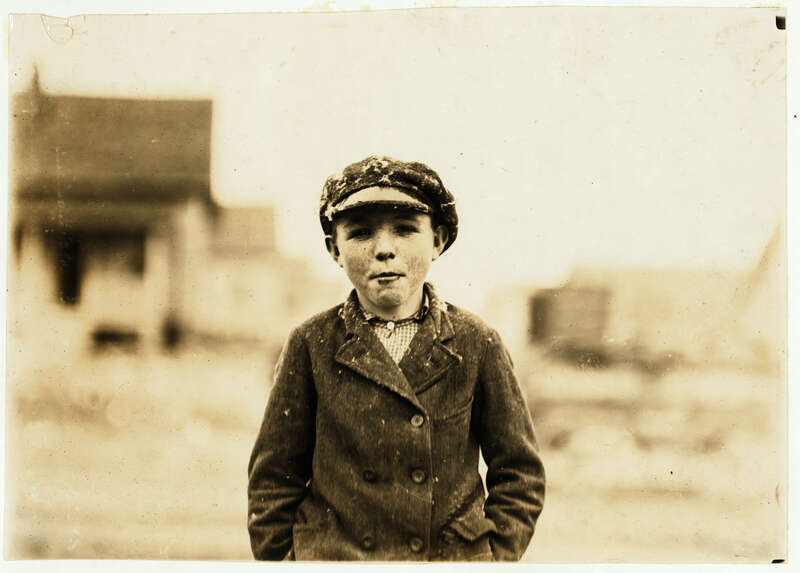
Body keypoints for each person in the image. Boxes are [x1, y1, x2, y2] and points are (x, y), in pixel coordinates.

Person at [247, 155, 545, 561]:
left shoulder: (477, 342)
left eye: (405, 230)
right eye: (360, 234)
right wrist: (285, 562)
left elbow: (520, 474)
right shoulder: (310, 343)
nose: (384, 250)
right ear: (334, 249)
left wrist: (492, 558)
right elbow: (273, 477)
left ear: (437, 240)